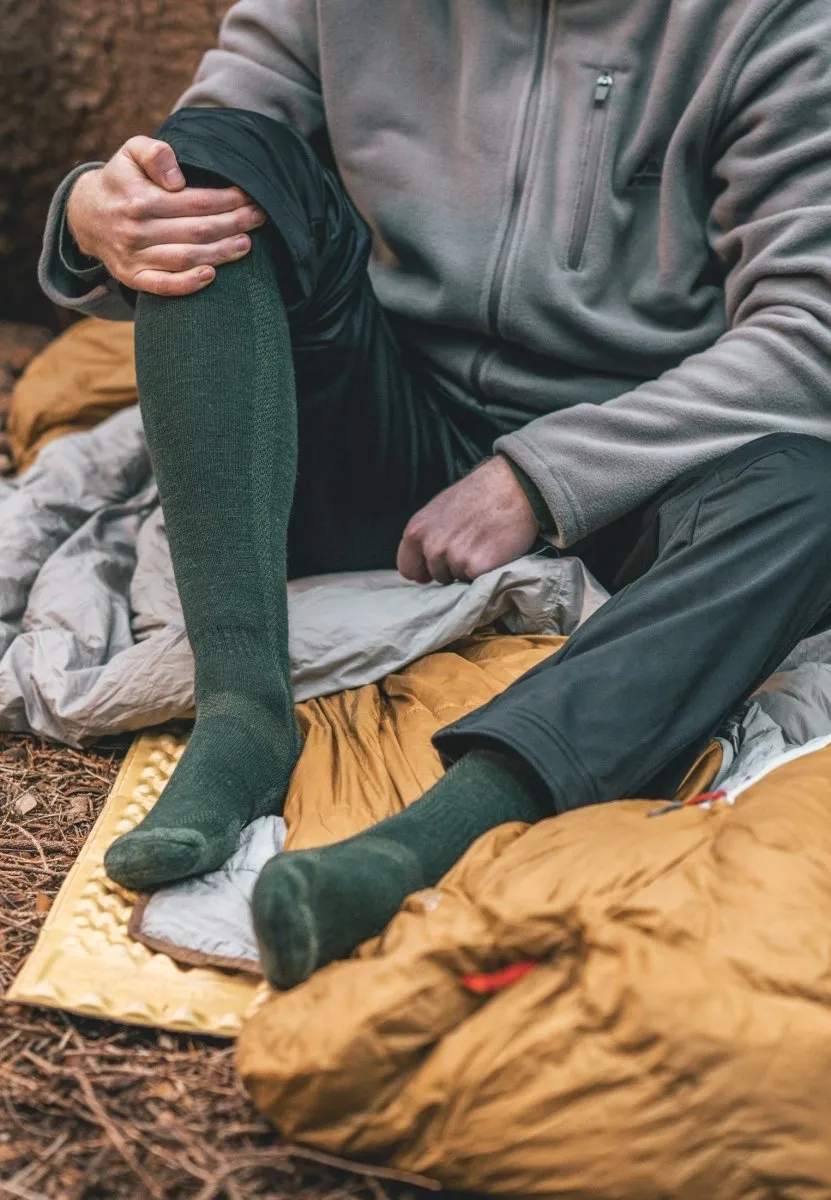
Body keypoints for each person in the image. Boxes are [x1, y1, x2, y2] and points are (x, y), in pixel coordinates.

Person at [40, 0, 831, 989]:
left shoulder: (772, 23)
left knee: (811, 492)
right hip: (382, 430)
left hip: (634, 477)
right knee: (215, 164)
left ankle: (434, 837)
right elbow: (188, 168)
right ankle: (244, 712)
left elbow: (810, 338)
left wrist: (545, 480)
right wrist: (92, 212)